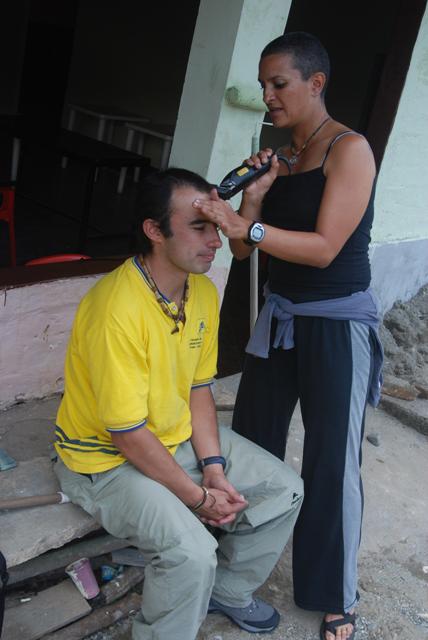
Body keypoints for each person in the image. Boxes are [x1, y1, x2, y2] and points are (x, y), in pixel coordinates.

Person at [53, 168, 303, 640]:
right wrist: (199, 499)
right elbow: (127, 434)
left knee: (284, 490)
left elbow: (198, 389)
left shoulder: (202, 291)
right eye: (199, 226)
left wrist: (213, 469)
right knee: (190, 553)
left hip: (174, 436)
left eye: (217, 225)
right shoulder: (116, 309)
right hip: (102, 460)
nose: (216, 240)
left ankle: (227, 591)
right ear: (154, 230)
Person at [193, 32, 383, 640]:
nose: (268, 96)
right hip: (279, 318)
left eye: (279, 84)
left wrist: (243, 228)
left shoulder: (349, 150)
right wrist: (252, 201)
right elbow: (244, 251)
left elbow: (324, 249)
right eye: (263, 85)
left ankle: (334, 592)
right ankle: (229, 564)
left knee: (331, 461)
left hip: (336, 324)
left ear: (315, 83)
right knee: (253, 443)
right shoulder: (283, 158)